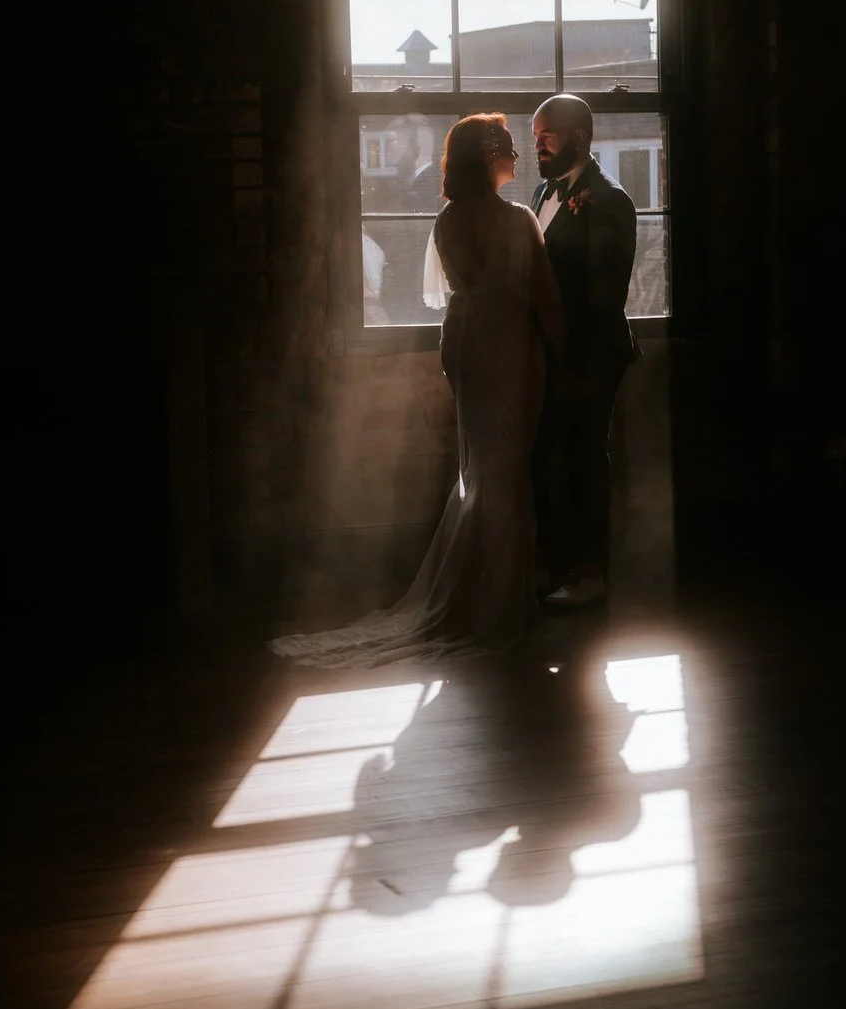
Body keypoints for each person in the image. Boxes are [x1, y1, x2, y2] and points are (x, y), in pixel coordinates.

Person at [271, 112, 566, 669]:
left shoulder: (448, 221)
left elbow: (461, 293)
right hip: (508, 350)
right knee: (508, 473)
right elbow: (544, 298)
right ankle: (500, 602)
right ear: (488, 157)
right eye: (507, 145)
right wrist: (566, 352)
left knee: (482, 470)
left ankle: (480, 592)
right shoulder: (517, 220)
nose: (518, 155)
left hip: (466, 347)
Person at [530, 93, 640, 609]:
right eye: (534, 137)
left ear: (579, 136)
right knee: (549, 458)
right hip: (551, 352)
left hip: (592, 354)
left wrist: (575, 366)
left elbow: (604, 296)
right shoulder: (540, 192)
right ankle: (553, 565)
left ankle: (590, 572)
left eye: (547, 134)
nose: (538, 145)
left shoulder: (609, 200)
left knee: (584, 459)